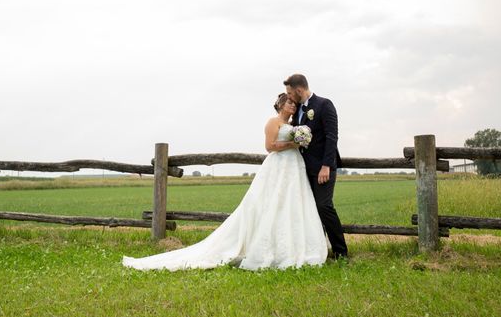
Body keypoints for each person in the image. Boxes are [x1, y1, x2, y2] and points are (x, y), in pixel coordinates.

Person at [122, 94, 328, 271]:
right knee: (268, 203)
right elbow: (270, 146)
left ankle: (291, 247)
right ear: (281, 105)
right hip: (277, 166)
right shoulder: (272, 122)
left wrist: (301, 140)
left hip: (294, 167)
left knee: (291, 203)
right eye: (289, 103)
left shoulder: (294, 126)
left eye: (294, 103)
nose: (293, 106)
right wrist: (294, 143)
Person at [285, 73, 349, 259]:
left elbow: (332, 137)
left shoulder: (324, 105)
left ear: (299, 90)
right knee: (310, 210)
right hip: (303, 168)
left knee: (324, 206)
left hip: (323, 168)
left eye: (290, 93)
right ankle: (317, 251)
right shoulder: (297, 110)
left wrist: (326, 166)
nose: (288, 96)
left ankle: (340, 252)